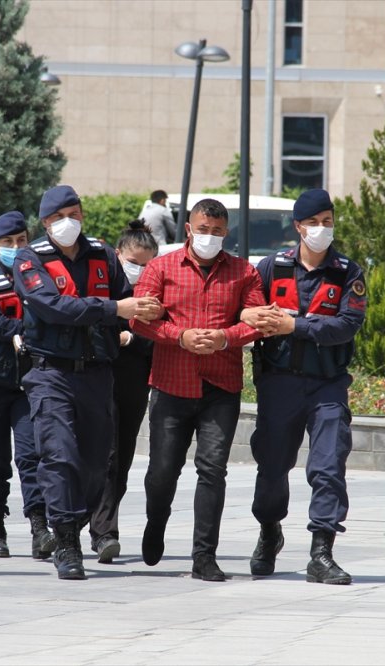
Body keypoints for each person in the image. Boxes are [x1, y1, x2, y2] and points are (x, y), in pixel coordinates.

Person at [12, 185, 163, 580]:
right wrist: (115, 308)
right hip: (51, 374)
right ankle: (66, 542)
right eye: (59, 217)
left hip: (97, 374)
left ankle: (72, 523)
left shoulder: (101, 256)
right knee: (60, 456)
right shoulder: (31, 260)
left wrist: (156, 314)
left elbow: (128, 300)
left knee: (98, 465)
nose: (69, 223)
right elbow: (53, 306)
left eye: (74, 214)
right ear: (45, 223)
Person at [130, 198, 272, 582]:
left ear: (226, 232)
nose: (209, 236)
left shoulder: (244, 272)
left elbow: (258, 322)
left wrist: (226, 338)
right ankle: (155, 521)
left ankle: (204, 556)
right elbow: (140, 320)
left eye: (217, 231)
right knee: (162, 472)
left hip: (220, 387)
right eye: (202, 229)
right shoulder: (161, 268)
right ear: (188, 229)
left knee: (213, 470)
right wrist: (181, 336)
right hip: (171, 384)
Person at [239, 188, 367, 584]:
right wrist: (252, 314)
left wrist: (294, 324)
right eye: (313, 223)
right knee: (272, 467)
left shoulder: (348, 272)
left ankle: (321, 553)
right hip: (279, 384)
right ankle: (268, 532)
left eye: (327, 222)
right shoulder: (271, 268)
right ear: (297, 226)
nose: (321, 230)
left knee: (329, 464)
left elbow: (347, 325)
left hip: (327, 384)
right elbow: (244, 308)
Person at [0, 211, 56, 560]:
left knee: (33, 456)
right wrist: (24, 332)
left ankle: (39, 527)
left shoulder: (43, 277)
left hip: (30, 383)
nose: (16, 248)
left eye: (21, 241)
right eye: (8, 243)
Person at [88, 220, 159, 564]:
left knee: (122, 458)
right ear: (118, 255)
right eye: (134, 261)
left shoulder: (154, 292)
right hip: (97, 378)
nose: (140, 270)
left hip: (133, 382)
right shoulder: (101, 284)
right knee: (102, 454)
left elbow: (160, 333)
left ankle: (103, 529)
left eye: (147, 264)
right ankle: (99, 530)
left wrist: (131, 338)